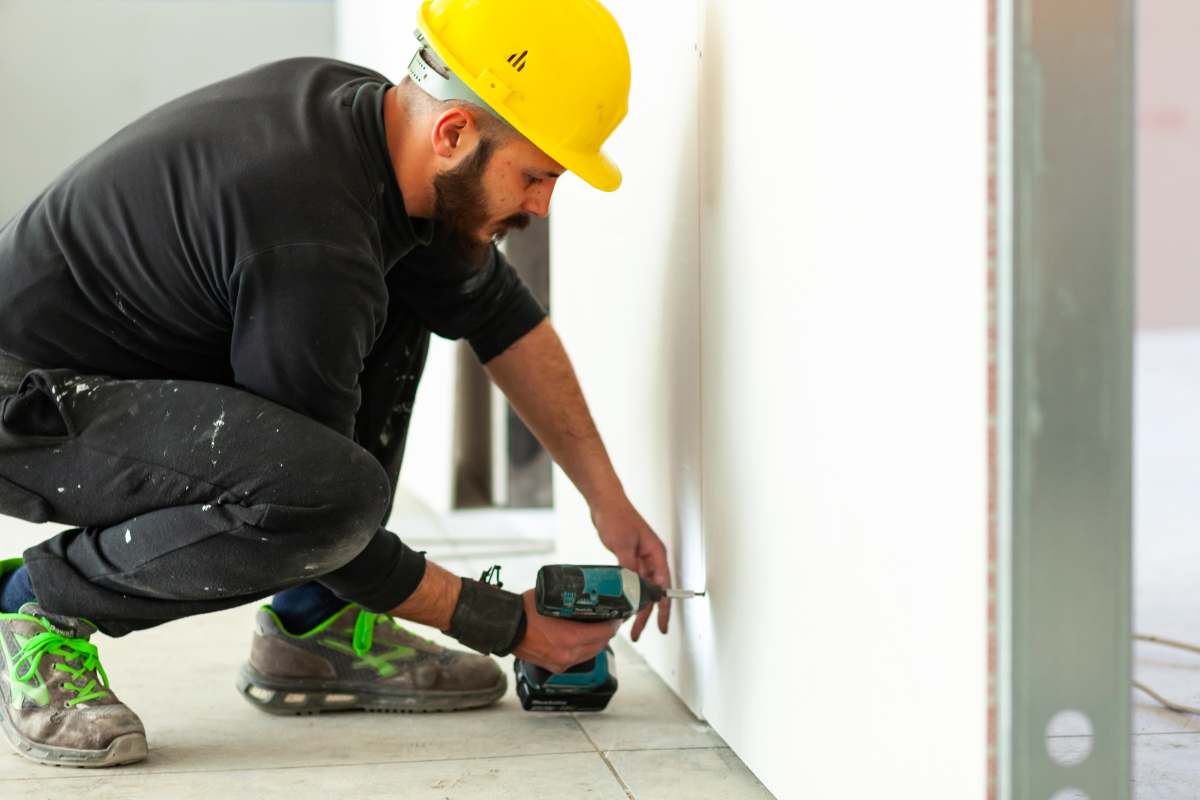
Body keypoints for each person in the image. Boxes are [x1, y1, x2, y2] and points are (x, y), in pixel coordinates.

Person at [0, 0, 671, 768]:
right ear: (454, 131)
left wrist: (608, 501)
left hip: (111, 370)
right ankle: (35, 609)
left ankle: (312, 622)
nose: (543, 203)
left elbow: (502, 318)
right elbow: (314, 507)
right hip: (25, 402)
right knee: (323, 500)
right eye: (536, 174)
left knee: (410, 296)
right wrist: (507, 624)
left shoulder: (373, 132)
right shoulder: (312, 235)